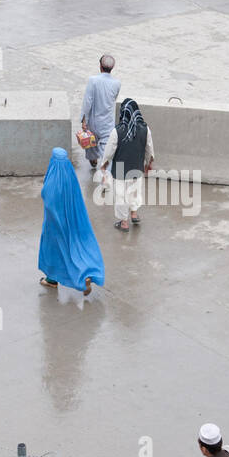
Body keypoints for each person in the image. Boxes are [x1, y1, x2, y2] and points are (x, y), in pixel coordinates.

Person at [38, 147, 104, 295]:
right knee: (77, 249)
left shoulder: (52, 181)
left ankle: (56, 280)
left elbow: (47, 200)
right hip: (73, 222)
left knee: (55, 251)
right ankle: (85, 274)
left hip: (54, 226)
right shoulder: (70, 177)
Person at [97, 98, 154, 232]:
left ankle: (124, 223)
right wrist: (148, 164)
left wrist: (104, 164)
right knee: (134, 192)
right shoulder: (145, 129)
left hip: (121, 170)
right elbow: (149, 149)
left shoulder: (117, 131)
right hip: (137, 168)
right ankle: (133, 214)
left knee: (121, 196)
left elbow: (109, 151)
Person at [80, 54, 119, 170]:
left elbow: (87, 102)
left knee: (91, 142)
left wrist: (84, 120)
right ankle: (106, 175)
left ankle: (93, 159)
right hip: (107, 122)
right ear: (112, 68)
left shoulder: (93, 80)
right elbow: (113, 99)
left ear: (100, 66)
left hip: (94, 120)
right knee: (106, 151)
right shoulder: (117, 83)